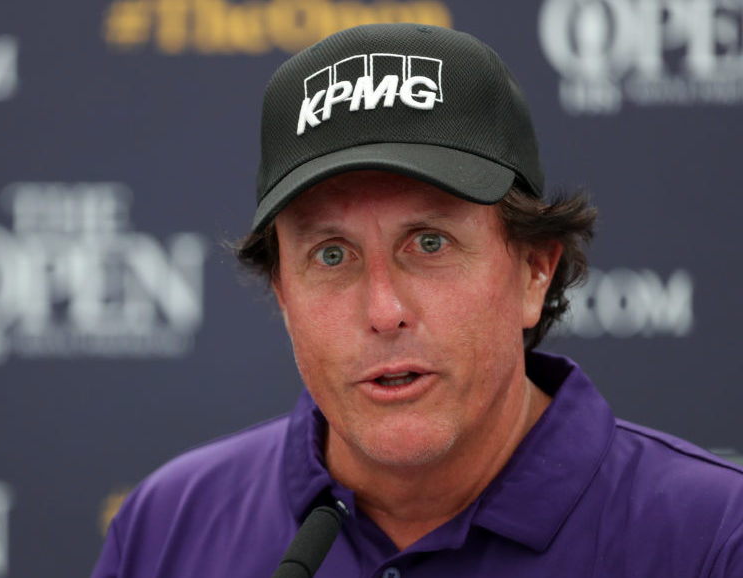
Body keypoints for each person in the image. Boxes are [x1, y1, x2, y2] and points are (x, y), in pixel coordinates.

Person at [91, 23, 743, 578]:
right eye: (332, 255)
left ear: (535, 271)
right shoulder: (165, 530)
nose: (383, 311)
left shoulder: (714, 537)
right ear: (283, 292)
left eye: (430, 243)